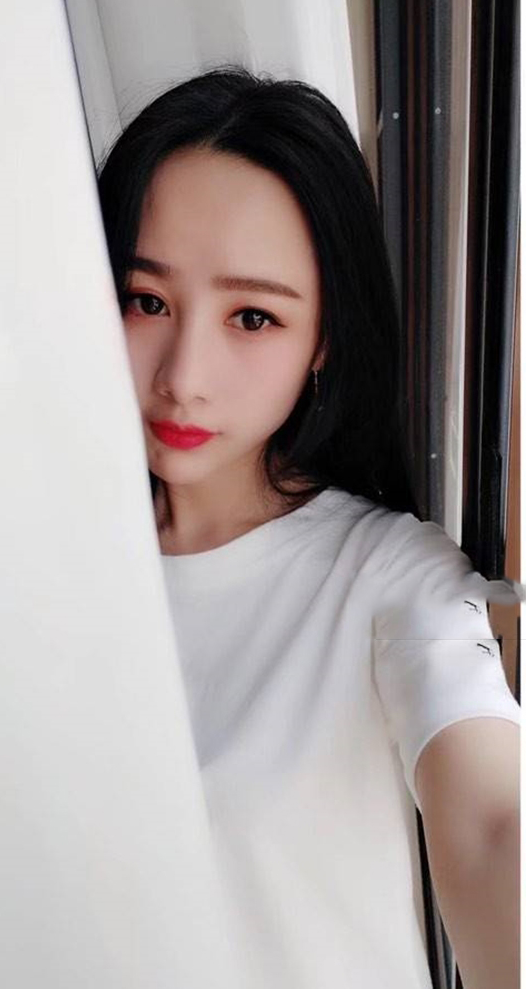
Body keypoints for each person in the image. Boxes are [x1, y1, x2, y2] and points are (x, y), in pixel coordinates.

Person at [97, 66, 520, 989]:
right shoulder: (36, 569)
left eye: (253, 317)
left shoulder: (388, 577)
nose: (184, 376)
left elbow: (494, 827)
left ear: (323, 337)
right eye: (147, 301)